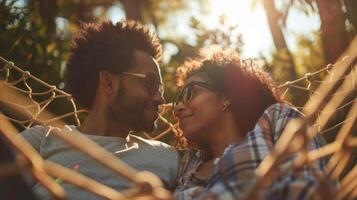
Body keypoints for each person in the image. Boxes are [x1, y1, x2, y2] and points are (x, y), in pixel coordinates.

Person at [19, 20, 179, 200]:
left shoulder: (169, 159)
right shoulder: (40, 141)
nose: (160, 98)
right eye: (151, 83)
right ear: (108, 83)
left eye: (161, 88)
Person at [173, 51, 329, 199]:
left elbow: (313, 187)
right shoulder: (187, 163)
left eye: (189, 93)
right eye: (178, 100)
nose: (177, 108)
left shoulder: (275, 119)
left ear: (226, 96)